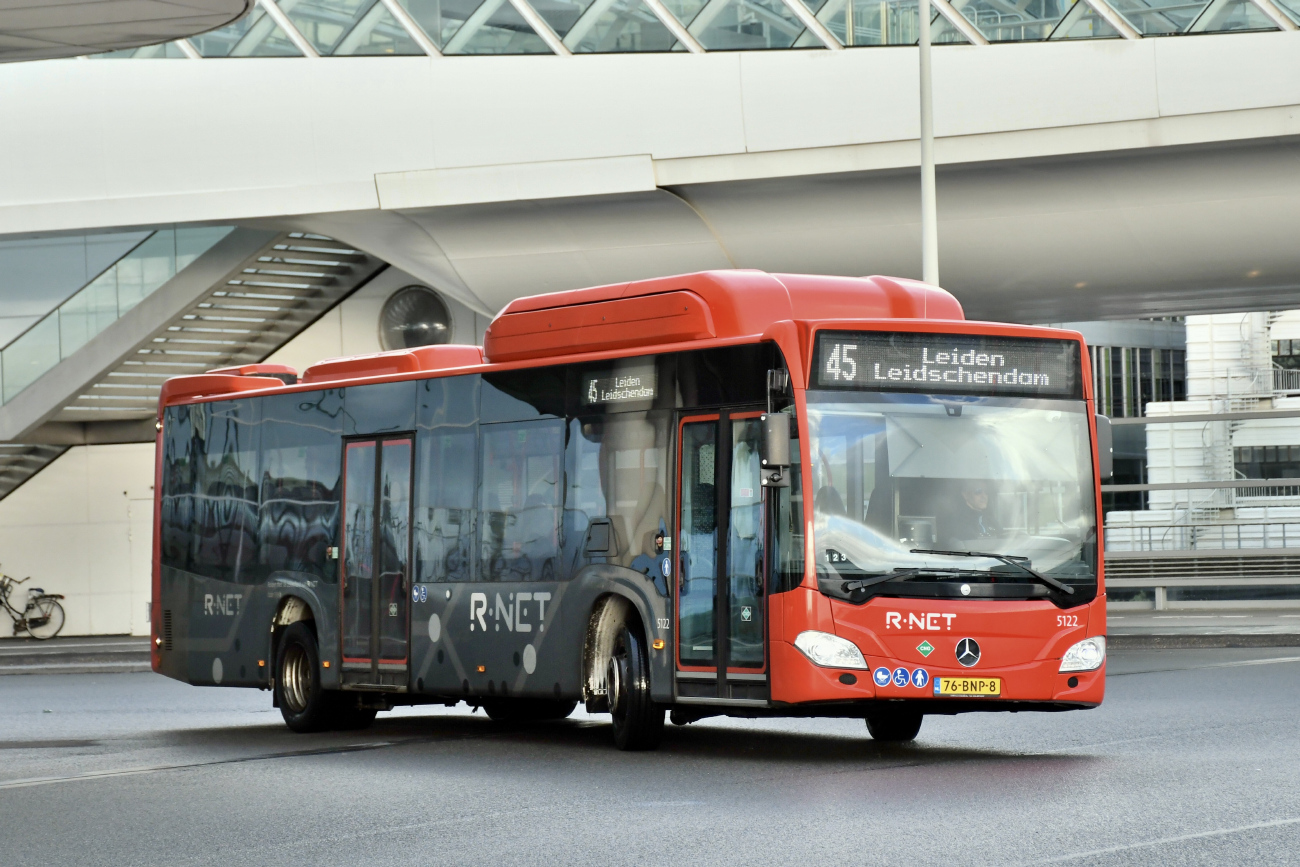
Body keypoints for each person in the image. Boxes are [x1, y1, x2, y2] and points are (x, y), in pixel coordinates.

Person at [941, 481, 997, 548]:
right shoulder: (955, 522)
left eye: (986, 492)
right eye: (978, 491)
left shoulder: (991, 520)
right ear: (965, 495)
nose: (984, 496)